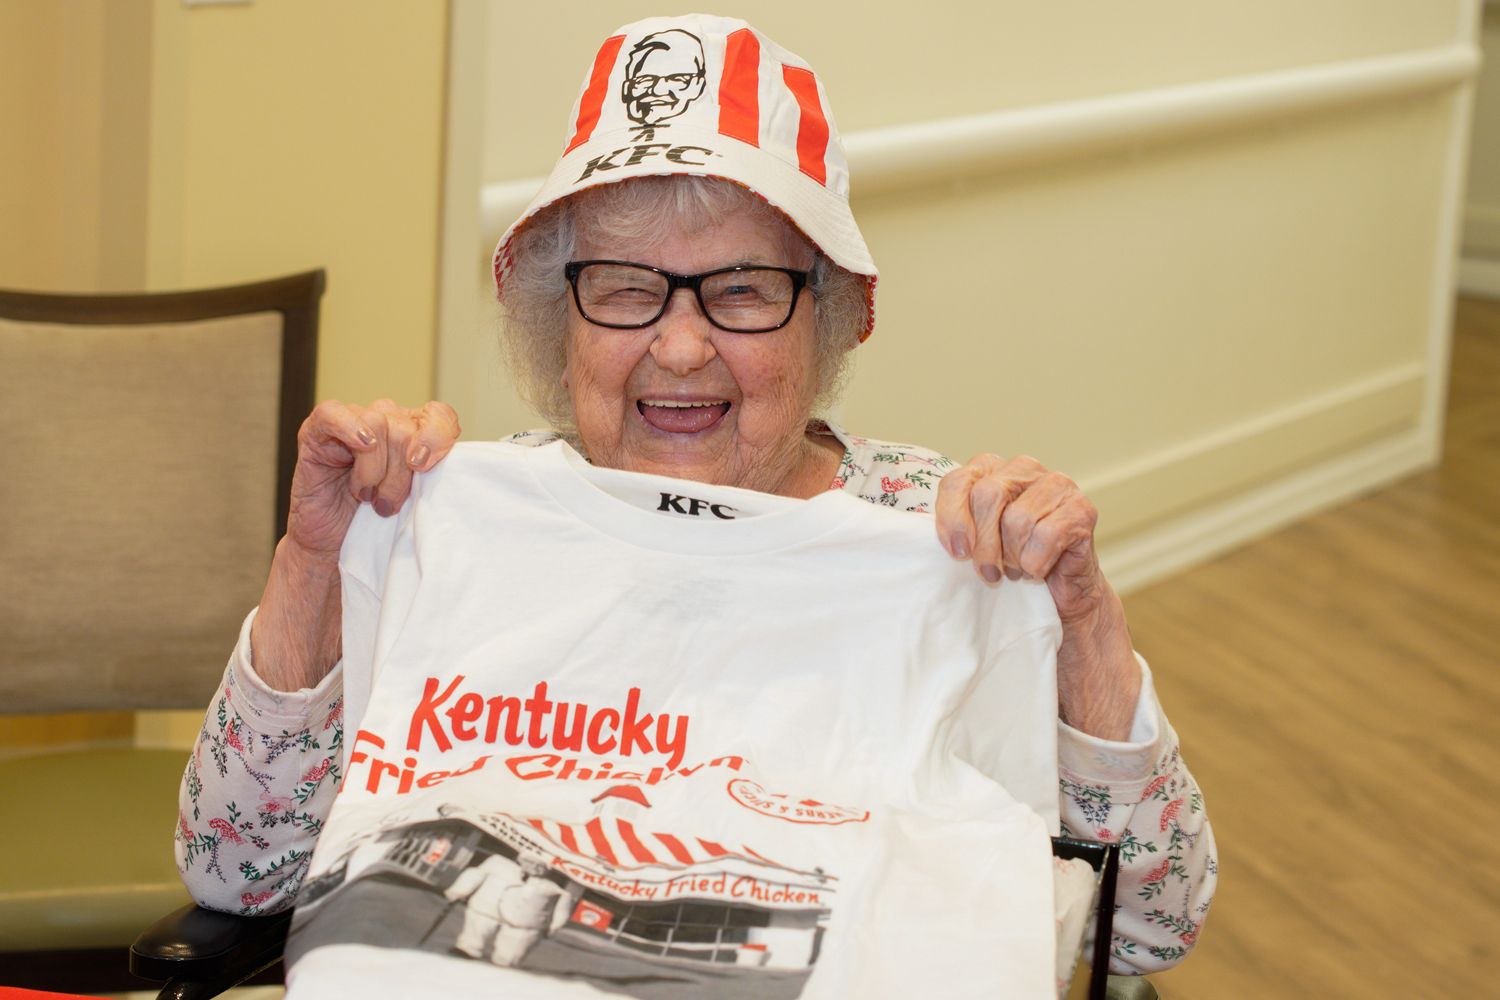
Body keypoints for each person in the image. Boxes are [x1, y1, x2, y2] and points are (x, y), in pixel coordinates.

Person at [177, 12, 1215, 983]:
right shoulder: (452, 523)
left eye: (743, 290)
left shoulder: (942, 541)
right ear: (558, 318)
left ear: (833, 318)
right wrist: (315, 565)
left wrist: (1081, 623)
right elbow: (238, 871)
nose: (679, 345)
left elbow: (1147, 927)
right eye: (625, 288)